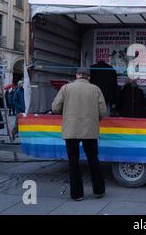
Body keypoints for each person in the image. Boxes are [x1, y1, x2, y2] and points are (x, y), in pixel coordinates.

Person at [51, 67, 107, 201]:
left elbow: (55, 108)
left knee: (73, 162)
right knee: (93, 160)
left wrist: (67, 113)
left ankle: (77, 194)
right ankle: (99, 191)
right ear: (89, 77)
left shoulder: (66, 88)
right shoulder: (96, 89)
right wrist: (94, 119)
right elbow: (103, 111)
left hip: (71, 130)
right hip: (90, 130)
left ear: (77, 75)